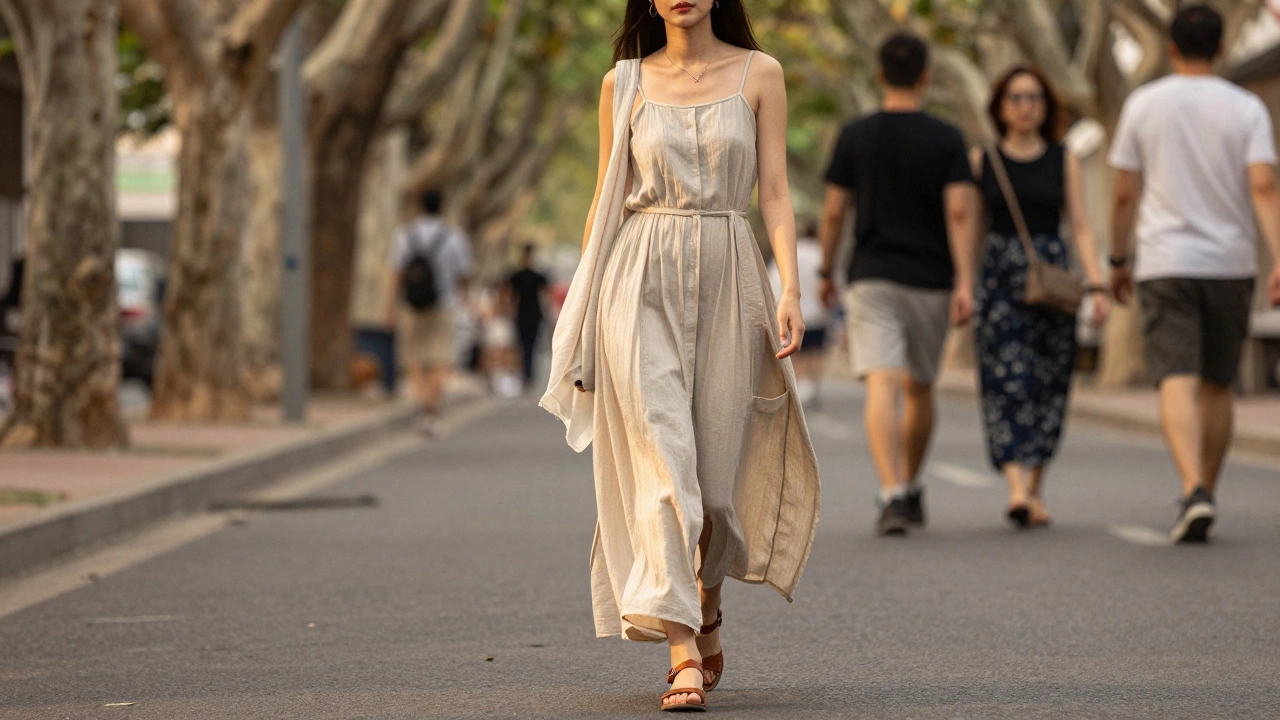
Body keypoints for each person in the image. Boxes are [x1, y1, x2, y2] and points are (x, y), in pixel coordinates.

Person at [540, 0, 821, 711]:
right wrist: (583, 309)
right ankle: (680, 648)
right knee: (664, 466)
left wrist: (791, 288)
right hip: (639, 279)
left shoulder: (762, 72)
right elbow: (604, 202)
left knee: (717, 486)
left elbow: (777, 194)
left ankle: (708, 600)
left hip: (732, 268)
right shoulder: (623, 82)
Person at [1109, 4, 1280, 543]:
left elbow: (1123, 194)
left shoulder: (1143, 104)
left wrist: (1117, 258)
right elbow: (1263, 187)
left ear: (1172, 48)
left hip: (1163, 261)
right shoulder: (1247, 107)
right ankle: (1205, 485)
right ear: (1223, 48)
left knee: (1175, 377)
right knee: (1218, 383)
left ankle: (1192, 487)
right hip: (1230, 262)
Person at [818, 32, 979, 537]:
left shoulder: (855, 135)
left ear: (881, 74)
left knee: (882, 383)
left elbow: (834, 211)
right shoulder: (948, 138)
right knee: (920, 386)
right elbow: (959, 210)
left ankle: (890, 493)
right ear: (927, 76)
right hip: (932, 278)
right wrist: (965, 282)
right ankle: (909, 483)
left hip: (871, 276)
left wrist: (825, 270)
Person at [970, 67, 1109, 529]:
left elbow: (1082, 227)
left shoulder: (1063, 158)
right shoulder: (982, 160)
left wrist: (1097, 284)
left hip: (1053, 282)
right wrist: (963, 288)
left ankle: (1035, 488)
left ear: (1045, 106)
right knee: (1006, 383)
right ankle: (1015, 489)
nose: (1025, 106)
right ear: (1000, 106)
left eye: (1033, 97)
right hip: (999, 282)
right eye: (1015, 97)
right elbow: (972, 230)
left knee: (1049, 382)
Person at [385, 190, 473, 436]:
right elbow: (464, 275)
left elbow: (396, 275)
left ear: (419, 207)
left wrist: (390, 307)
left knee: (415, 360)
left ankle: (420, 405)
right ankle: (432, 413)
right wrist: (464, 300)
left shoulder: (404, 235)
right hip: (444, 306)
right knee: (439, 361)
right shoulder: (455, 237)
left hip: (411, 307)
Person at [769, 221, 830, 407]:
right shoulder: (821, 254)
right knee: (816, 351)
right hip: (819, 311)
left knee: (797, 352)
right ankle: (813, 387)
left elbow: (774, 280)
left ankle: (799, 387)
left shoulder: (791, 253)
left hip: (795, 310)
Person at [505, 244, 549, 387]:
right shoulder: (520, 276)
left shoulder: (534, 276)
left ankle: (528, 373)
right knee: (526, 345)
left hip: (530, 314)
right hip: (526, 314)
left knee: (528, 345)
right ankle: (527, 373)